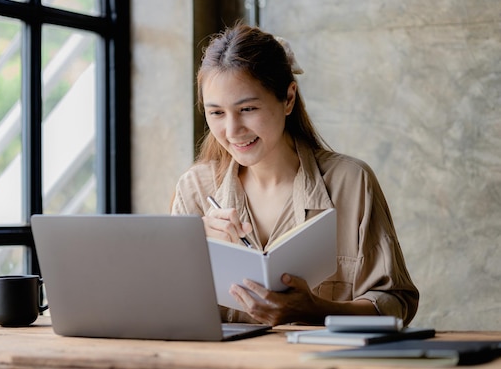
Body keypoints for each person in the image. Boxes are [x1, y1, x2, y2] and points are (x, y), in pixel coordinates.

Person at [171, 23, 419, 326]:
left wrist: (316, 310)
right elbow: (169, 312)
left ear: (288, 99)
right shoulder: (195, 189)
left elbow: (396, 303)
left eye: (248, 109)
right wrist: (194, 250)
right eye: (217, 113)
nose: (232, 131)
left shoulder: (350, 182)